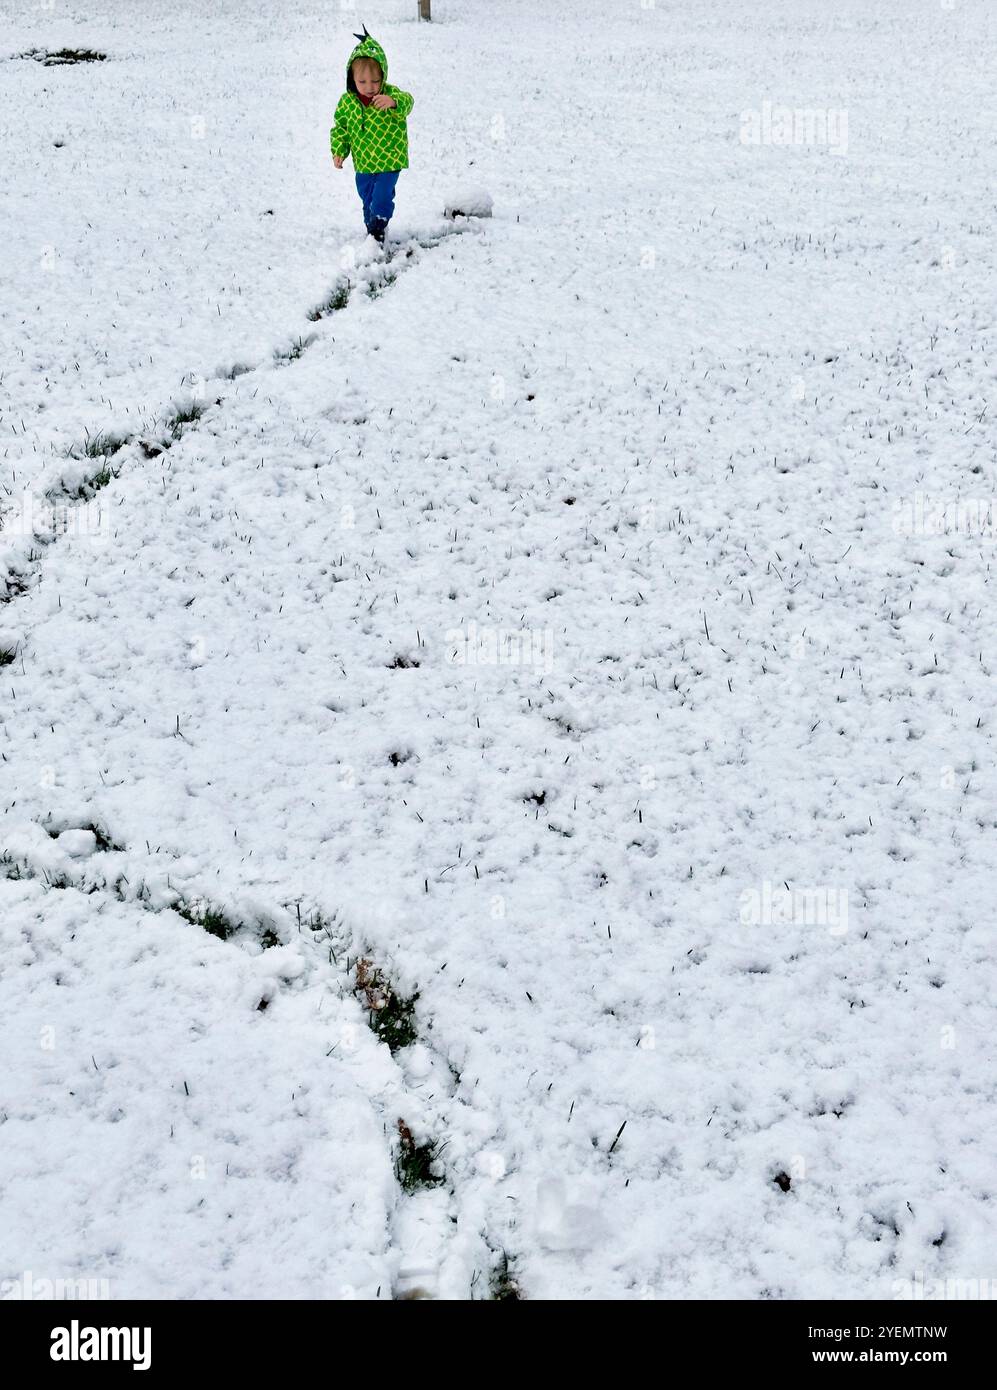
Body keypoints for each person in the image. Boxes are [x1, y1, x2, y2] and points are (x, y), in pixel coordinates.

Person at [330, 27, 414, 246]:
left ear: (383, 76)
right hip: (364, 162)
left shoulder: (390, 93)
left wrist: (394, 103)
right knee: (366, 196)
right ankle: (372, 225)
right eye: (363, 82)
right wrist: (339, 151)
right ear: (352, 79)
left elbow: (409, 101)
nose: (369, 87)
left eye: (375, 81)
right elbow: (341, 128)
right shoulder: (347, 102)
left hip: (389, 158)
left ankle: (379, 222)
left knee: (382, 195)